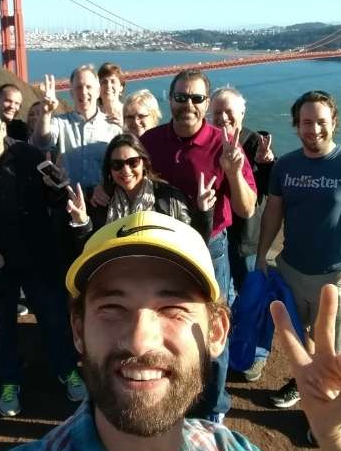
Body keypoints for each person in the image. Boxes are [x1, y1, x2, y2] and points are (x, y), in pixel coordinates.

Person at [0, 211, 341, 451]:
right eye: (112, 308)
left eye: (173, 309)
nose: (140, 341)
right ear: (78, 331)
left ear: (217, 331)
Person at [256, 91, 341, 420]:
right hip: (292, 270)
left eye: (321, 122)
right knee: (301, 340)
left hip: (336, 277)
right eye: (307, 123)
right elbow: (273, 213)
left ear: (334, 124)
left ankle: (331, 414)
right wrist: (262, 256)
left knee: (335, 351)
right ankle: (305, 386)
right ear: (296, 126)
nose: (314, 130)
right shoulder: (285, 165)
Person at [139, 69, 258, 423]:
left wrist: (234, 172)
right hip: (164, 247)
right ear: (169, 99)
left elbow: (246, 208)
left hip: (210, 248)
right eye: (180, 97)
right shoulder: (151, 140)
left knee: (212, 332)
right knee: (166, 326)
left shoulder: (225, 144)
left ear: (206, 103)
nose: (187, 104)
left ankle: (213, 408)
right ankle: (173, 396)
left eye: (196, 98)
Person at [0, 104, 85, 417]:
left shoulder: (29, 157)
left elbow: (56, 202)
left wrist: (58, 189)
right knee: (1, 326)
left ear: (2, 130)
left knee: (54, 318)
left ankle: (67, 369)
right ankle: (9, 380)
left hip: (39, 255)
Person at [210, 86, 275, 382]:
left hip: (246, 239)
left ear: (242, 114)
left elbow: (268, 192)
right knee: (226, 298)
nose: (223, 118)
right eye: (218, 112)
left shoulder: (252, 142)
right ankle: (231, 347)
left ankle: (257, 355)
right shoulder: (206, 141)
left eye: (229, 112)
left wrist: (266, 164)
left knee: (253, 297)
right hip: (217, 237)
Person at [66, 133, 213, 243]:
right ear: (109, 169)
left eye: (133, 162)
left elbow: (194, 243)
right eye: (117, 165)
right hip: (119, 278)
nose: (126, 170)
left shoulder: (169, 199)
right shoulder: (101, 201)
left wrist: (204, 213)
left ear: (144, 163)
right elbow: (91, 250)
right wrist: (82, 222)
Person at [32, 66, 122, 192]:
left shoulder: (113, 127)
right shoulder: (59, 122)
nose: (83, 92)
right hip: (67, 202)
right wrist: (45, 113)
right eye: (78, 87)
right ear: (71, 93)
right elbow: (41, 143)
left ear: (98, 92)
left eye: (88, 87)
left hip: (102, 202)